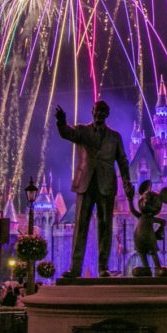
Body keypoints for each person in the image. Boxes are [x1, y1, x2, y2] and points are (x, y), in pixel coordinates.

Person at [55, 101, 134, 278]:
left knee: (105, 227)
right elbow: (67, 133)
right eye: (97, 111)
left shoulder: (115, 137)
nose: (99, 114)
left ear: (107, 114)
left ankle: (103, 267)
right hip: (85, 183)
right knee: (80, 226)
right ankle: (75, 269)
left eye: (102, 112)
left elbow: (122, 160)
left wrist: (127, 181)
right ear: (92, 112)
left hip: (106, 185)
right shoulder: (82, 131)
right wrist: (61, 123)